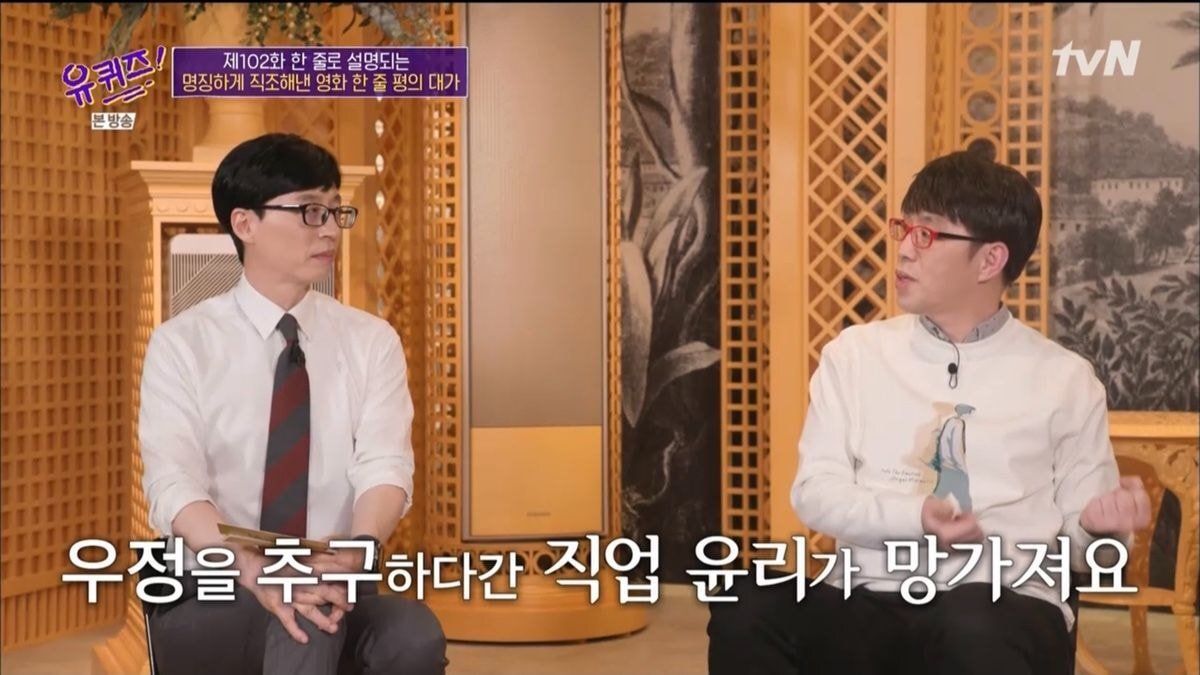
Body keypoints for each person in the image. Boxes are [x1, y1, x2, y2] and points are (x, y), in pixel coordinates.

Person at [706, 150, 1152, 675]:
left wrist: (1100, 530)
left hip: (1001, 601)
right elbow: (816, 494)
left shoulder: (1066, 379)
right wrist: (916, 519)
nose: (903, 250)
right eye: (904, 229)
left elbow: (1088, 557)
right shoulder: (854, 354)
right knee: (747, 601)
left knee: (971, 617)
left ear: (989, 261)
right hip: (867, 596)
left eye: (927, 234)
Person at [139, 133, 447, 675]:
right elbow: (173, 485)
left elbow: (385, 467)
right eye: (309, 211)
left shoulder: (370, 341)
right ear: (245, 224)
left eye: (335, 211)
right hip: (215, 582)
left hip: (332, 574)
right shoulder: (182, 343)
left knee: (411, 635)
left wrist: (354, 552)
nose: (329, 229)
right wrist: (255, 567)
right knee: (304, 618)